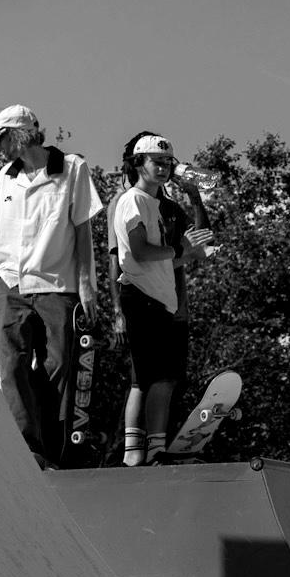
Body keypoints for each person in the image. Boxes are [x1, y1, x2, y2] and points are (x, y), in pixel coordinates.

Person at [0, 105, 101, 469]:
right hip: (11, 283)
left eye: (0, 137)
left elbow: (82, 229)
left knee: (58, 364)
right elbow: (1, 230)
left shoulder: (72, 169)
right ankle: (26, 445)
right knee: (11, 363)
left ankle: (50, 444)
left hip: (56, 283)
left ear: (20, 134)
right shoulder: (5, 177)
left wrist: (85, 283)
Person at [109, 133, 210, 465]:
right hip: (139, 298)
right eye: (157, 162)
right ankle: (133, 452)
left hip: (164, 302)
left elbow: (187, 250)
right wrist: (181, 251)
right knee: (144, 378)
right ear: (139, 163)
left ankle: (155, 447)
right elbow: (138, 250)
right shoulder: (131, 200)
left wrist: (188, 252)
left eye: (169, 163)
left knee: (164, 378)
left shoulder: (161, 204)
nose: (165, 169)